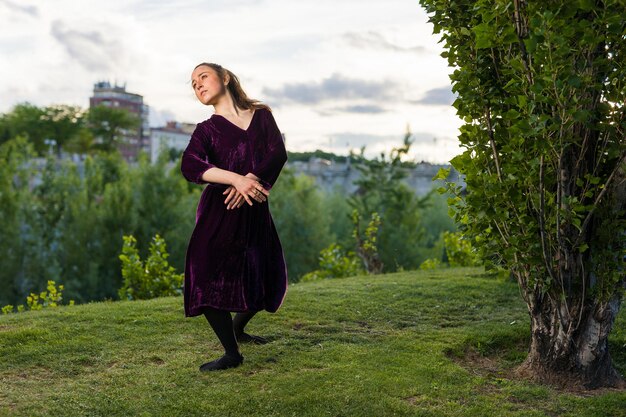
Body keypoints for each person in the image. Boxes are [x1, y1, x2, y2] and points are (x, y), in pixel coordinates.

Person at [180, 62, 289, 372]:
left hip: (254, 210)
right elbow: (190, 166)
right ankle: (232, 353)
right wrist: (235, 180)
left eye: (203, 76)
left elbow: (277, 154)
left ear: (225, 77)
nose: (197, 85)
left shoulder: (261, 115)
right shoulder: (206, 130)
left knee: (261, 274)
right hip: (220, 211)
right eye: (192, 83)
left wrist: (250, 181)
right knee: (203, 275)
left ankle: (239, 329)